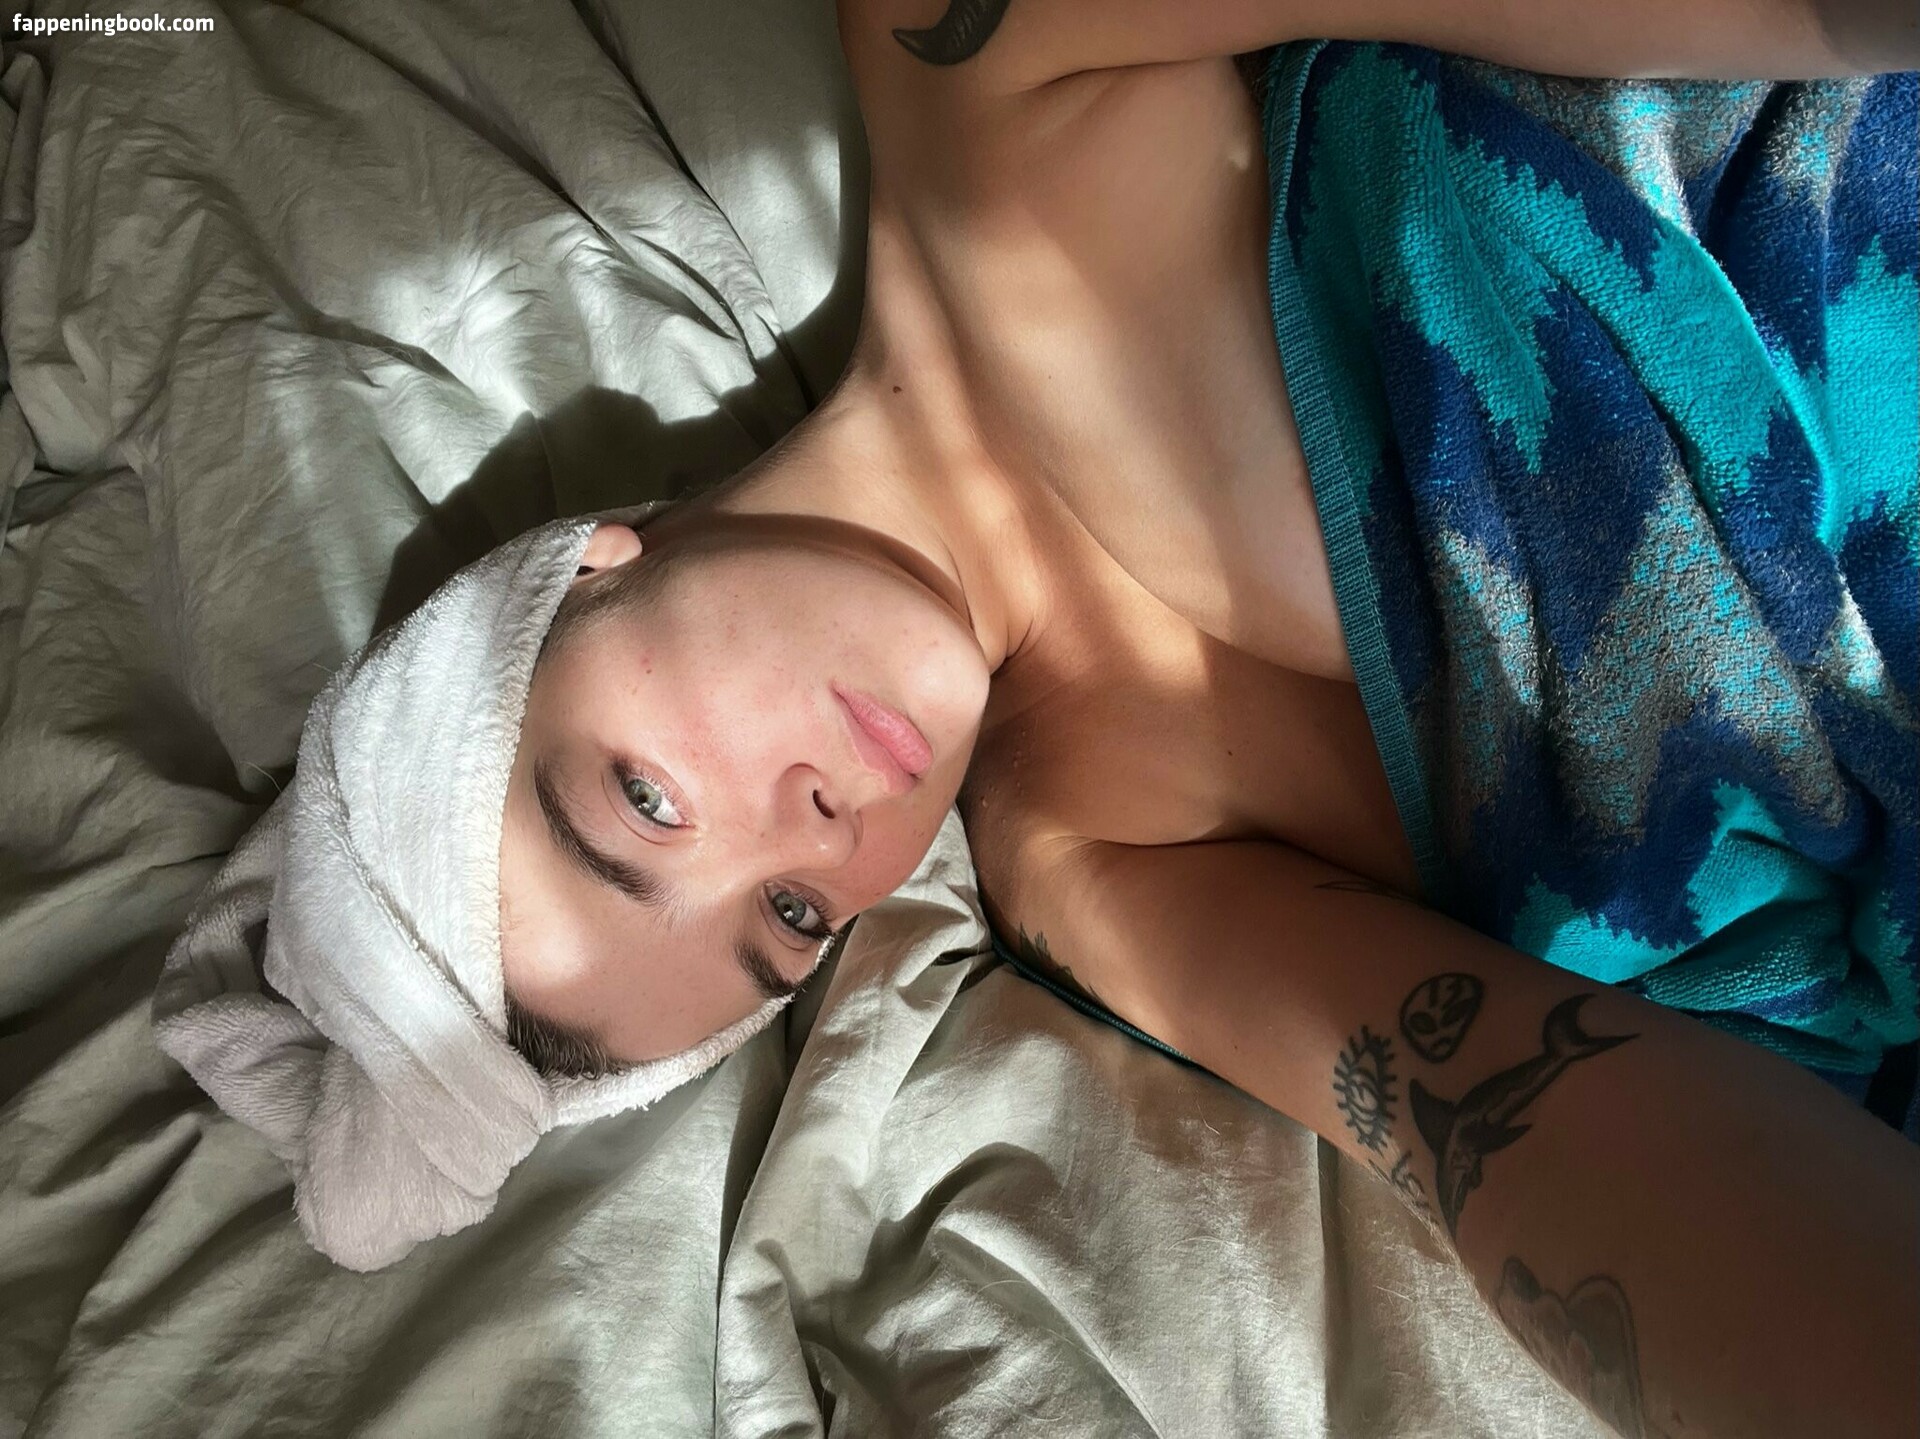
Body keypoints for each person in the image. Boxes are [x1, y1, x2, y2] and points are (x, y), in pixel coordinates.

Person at [161, 0, 1920, 1428]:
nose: (809, 832)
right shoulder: (1090, 845)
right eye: (789, 921)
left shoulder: (965, 70)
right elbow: (1515, 1127)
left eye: (646, 804)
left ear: (577, 571)